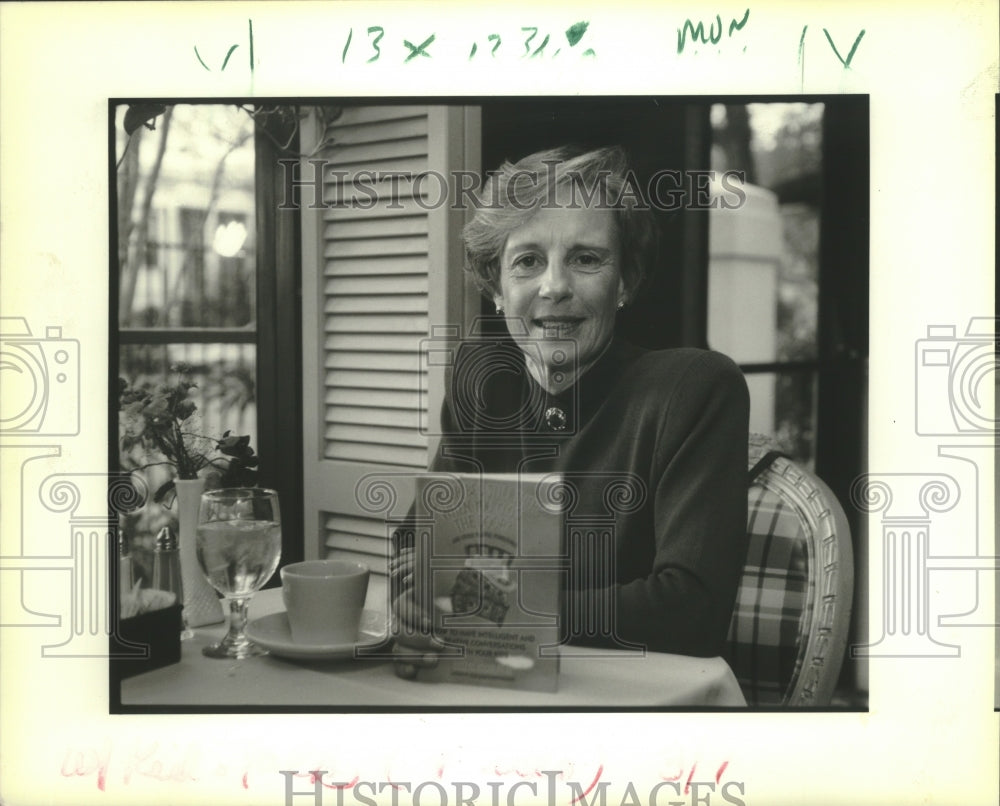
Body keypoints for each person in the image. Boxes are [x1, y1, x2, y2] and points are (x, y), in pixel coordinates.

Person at [390, 145, 749, 676]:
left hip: (630, 705)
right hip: (491, 688)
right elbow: (416, 555)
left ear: (624, 282)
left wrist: (490, 609)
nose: (554, 287)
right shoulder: (483, 381)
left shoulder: (693, 389)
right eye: (527, 261)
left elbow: (691, 610)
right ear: (496, 288)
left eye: (586, 259)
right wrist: (417, 609)